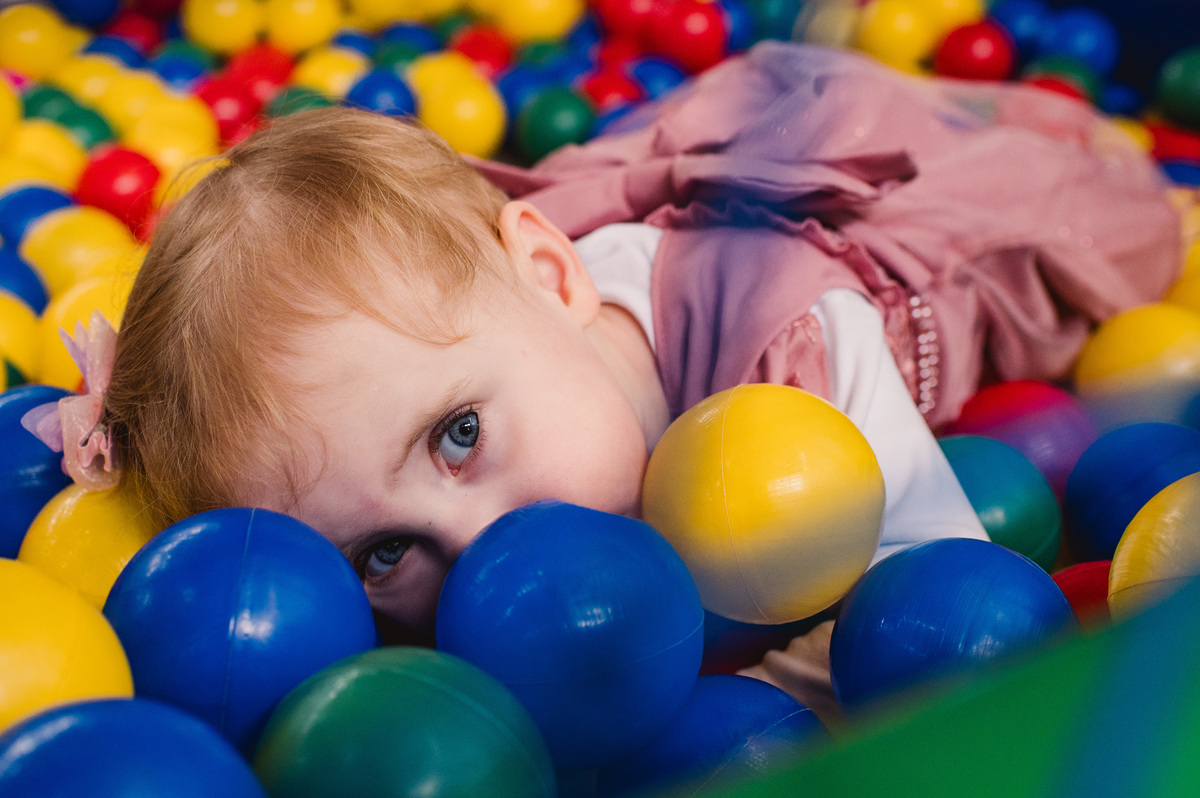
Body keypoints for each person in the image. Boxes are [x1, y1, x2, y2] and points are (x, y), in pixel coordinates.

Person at [28, 41, 1184, 720]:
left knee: (1116, 212)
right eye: (382, 556)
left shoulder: (802, 366)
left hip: (882, 221)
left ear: (551, 275)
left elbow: (927, 611)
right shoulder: (457, 347)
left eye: (461, 434)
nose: (482, 549)